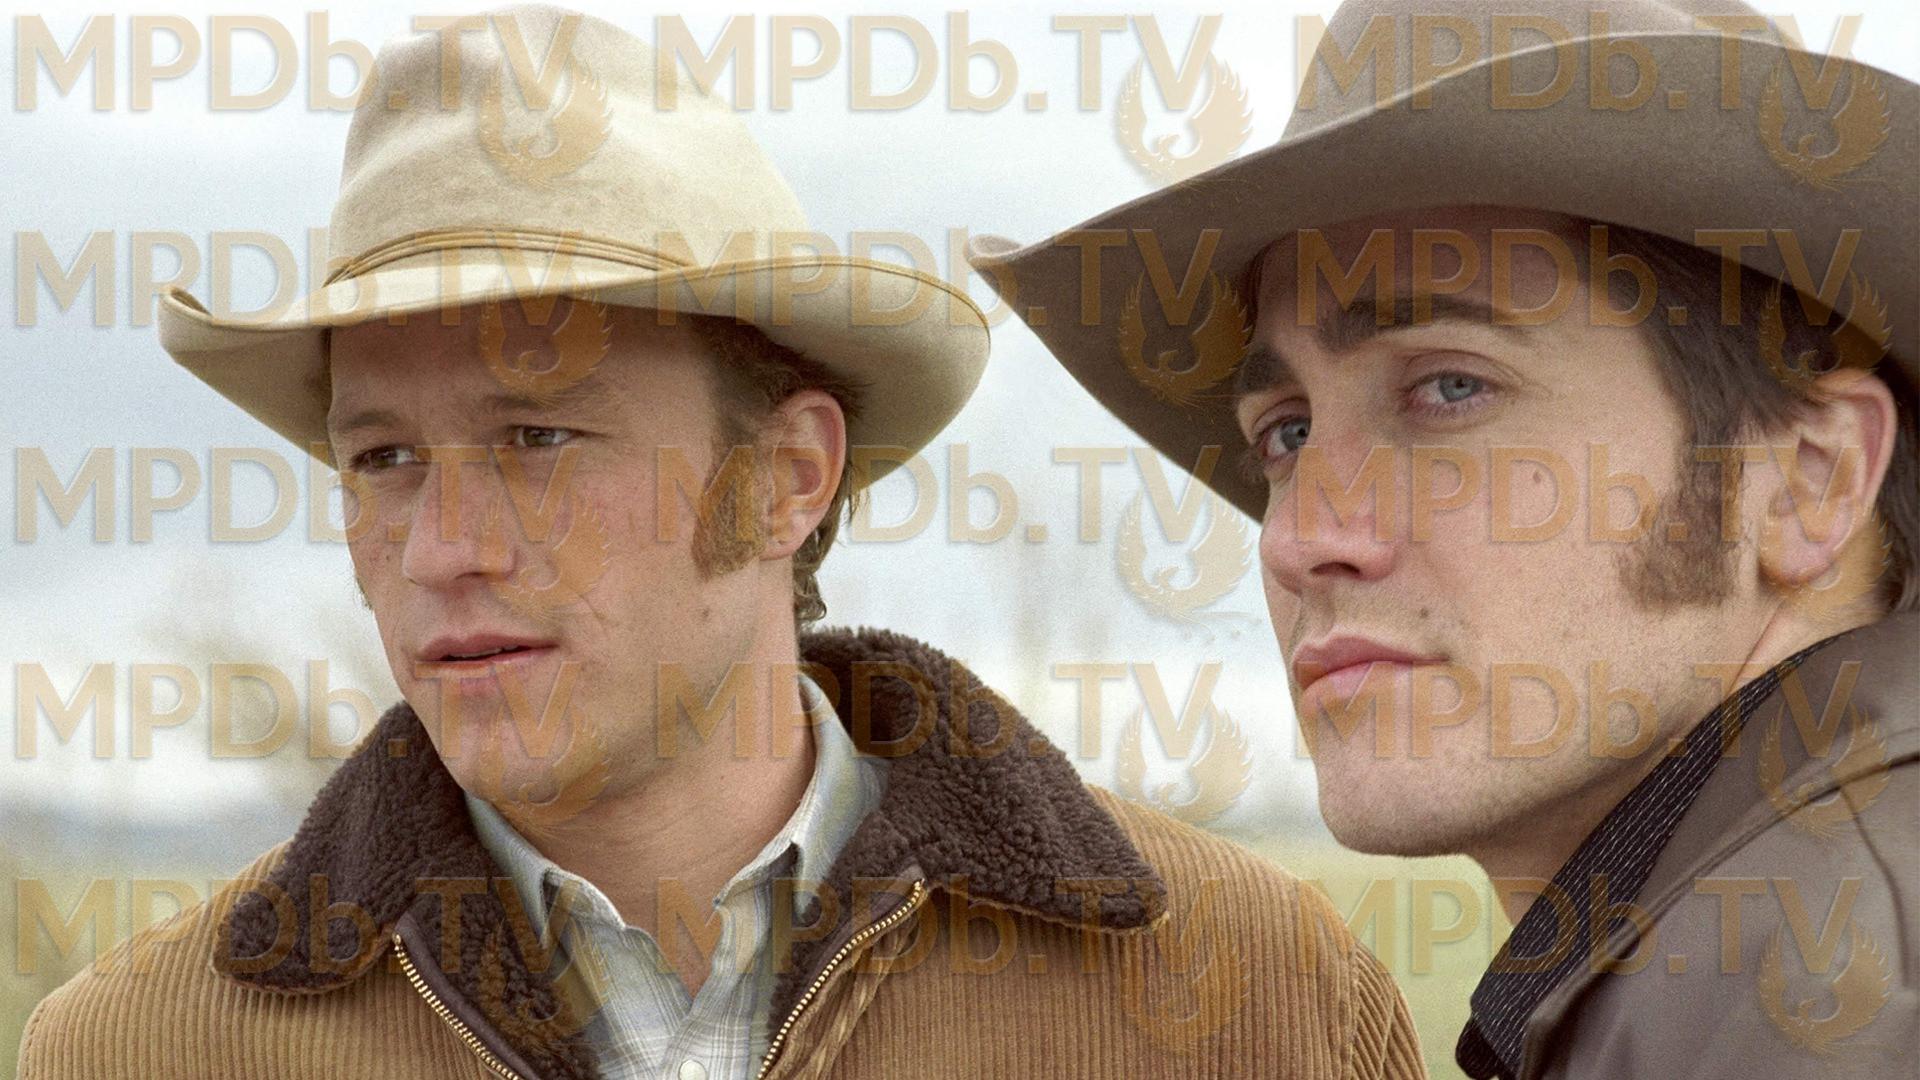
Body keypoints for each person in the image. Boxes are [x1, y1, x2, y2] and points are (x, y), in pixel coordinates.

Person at [19, 6, 1426, 1079]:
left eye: (537, 439)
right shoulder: (142, 1050)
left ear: (787, 478)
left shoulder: (1251, 997)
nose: (441, 549)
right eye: (382, 459)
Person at [969, 1, 1917, 1077]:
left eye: (1450, 388)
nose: (1298, 539)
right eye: (1287, 434)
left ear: (1807, 480)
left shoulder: (1834, 1001)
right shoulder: (1727, 970)